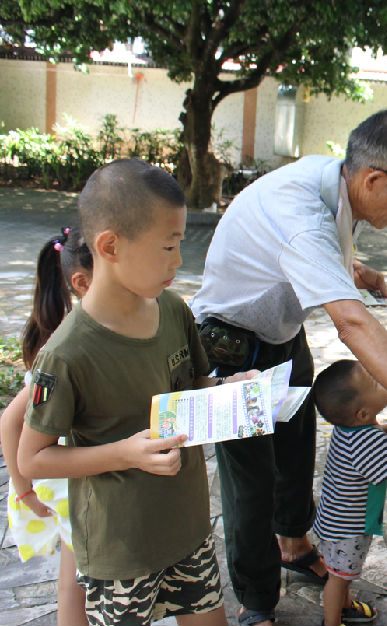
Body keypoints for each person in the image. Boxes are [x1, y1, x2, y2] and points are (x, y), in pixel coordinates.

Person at [190, 106, 387, 626]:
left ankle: (294, 543)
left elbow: (299, 254)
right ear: (375, 179)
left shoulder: (337, 181)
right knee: (249, 481)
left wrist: (351, 268)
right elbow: (352, 326)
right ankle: (258, 603)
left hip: (282, 335)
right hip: (232, 347)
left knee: (295, 450)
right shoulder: (301, 210)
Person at [17, 159, 256, 626]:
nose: (178, 260)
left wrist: (232, 391)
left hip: (187, 526)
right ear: (110, 246)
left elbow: (195, 387)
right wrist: (126, 453)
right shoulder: (66, 354)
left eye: (180, 243)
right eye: (168, 246)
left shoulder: (173, 310)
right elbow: (33, 459)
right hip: (120, 547)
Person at [2, 226, 92, 626]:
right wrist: (24, 491)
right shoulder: (60, 347)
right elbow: (10, 420)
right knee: (76, 582)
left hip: (64, 477)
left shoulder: (61, 333)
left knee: (74, 579)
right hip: (62, 480)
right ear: (82, 281)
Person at [311, 359, 387, 626]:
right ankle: (332, 622)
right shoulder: (369, 441)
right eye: (372, 382)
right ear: (362, 413)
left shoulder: (349, 428)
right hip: (348, 529)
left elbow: (370, 434)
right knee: (337, 579)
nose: (377, 378)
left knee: (341, 573)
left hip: (333, 520)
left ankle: (346, 608)